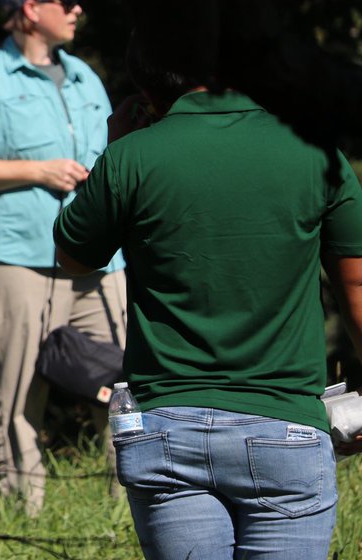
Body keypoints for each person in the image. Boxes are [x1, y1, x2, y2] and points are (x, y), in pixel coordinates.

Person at [54, 33, 362, 560]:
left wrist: (117, 145)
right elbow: (356, 286)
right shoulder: (317, 154)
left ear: (147, 88)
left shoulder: (131, 156)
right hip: (284, 426)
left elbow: (75, 255)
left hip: (167, 429)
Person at [0, 0, 126, 514]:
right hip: (18, 259)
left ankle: (136, 513)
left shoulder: (87, 75)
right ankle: (25, 522)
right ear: (29, 10)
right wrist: (38, 171)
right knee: (16, 396)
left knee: (124, 394)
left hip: (99, 264)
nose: (76, 9)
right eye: (63, 1)